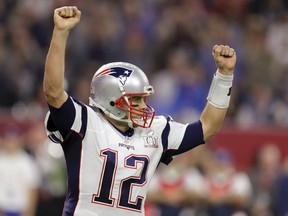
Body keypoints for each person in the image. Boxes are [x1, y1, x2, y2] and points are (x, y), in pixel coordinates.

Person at [43, 6, 236, 216]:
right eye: (135, 101)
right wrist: (60, 32)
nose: (144, 107)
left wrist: (224, 76)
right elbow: (54, 92)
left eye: (143, 100)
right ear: (111, 100)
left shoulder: (154, 130)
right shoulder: (85, 122)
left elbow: (208, 127)